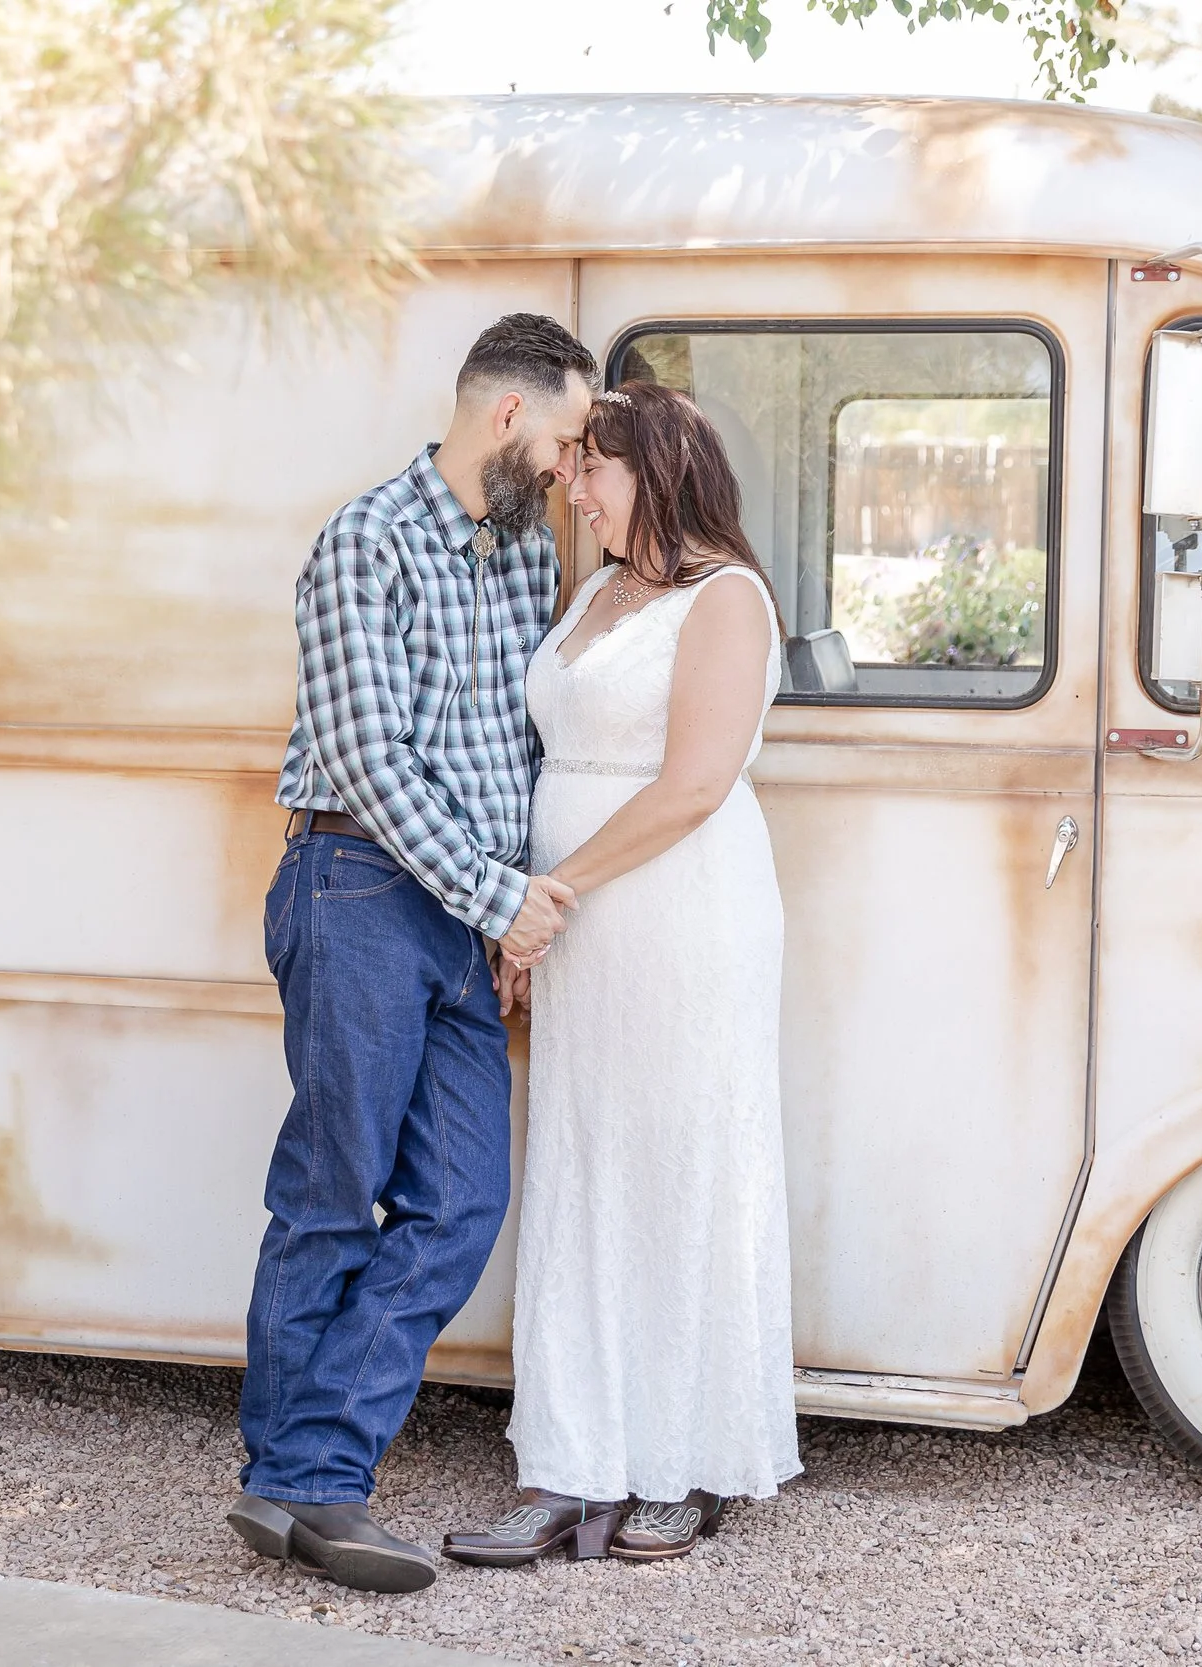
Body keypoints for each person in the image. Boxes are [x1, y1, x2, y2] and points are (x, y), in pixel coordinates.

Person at [228, 313, 598, 1594]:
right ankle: (310, 1485)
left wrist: (507, 915)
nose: (564, 467)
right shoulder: (363, 541)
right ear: (505, 415)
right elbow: (373, 761)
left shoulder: (518, 560)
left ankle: (298, 1470)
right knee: (333, 1190)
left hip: (461, 913)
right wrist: (498, 899)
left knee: (461, 1200)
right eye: (559, 438)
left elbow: (520, 749)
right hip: (356, 886)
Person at [443, 381, 801, 1570]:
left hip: (675, 911)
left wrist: (547, 902)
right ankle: (572, 1459)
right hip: (578, 912)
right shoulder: (596, 588)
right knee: (582, 1167)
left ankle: (685, 1461)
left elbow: (694, 784)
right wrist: (529, 903)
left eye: (591, 467)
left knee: (681, 1162)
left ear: (655, 469)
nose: (572, 485)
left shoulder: (728, 598)